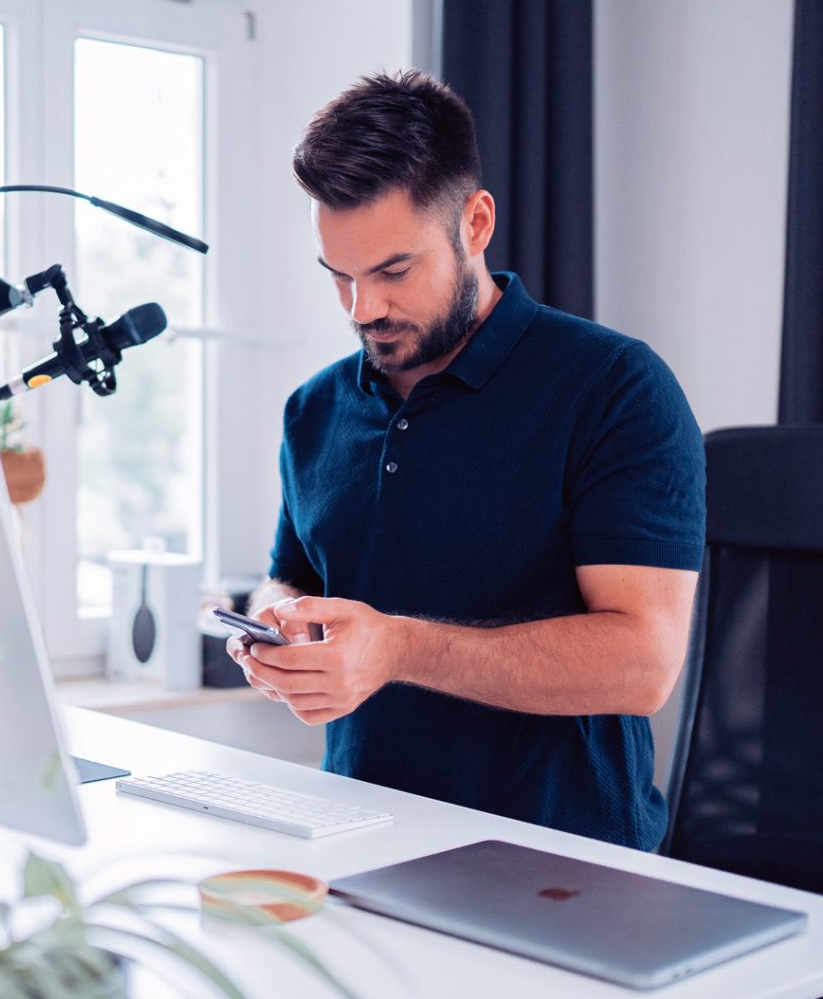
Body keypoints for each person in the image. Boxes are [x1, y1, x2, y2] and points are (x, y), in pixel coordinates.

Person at [227, 70, 705, 850]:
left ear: (475, 222)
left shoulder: (614, 386)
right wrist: (271, 629)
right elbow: (295, 577)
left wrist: (398, 648)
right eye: (339, 277)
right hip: (357, 839)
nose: (362, 309)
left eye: (391, 271)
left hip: (562, 860)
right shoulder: (311, 410)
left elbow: (642, 665)